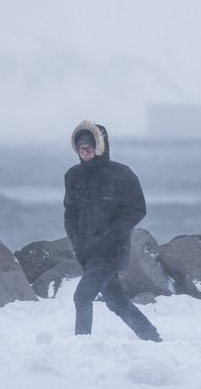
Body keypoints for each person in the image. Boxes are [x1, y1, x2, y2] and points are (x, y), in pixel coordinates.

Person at [63, 120, 162, 342]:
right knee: (116, 301)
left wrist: (111, 235)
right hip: (86, 251)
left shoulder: (121, 174)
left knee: (82, 296)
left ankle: (81, 343)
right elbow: (70, 211)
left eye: (88, 146)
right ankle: (151, 337)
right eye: (80, 148)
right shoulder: (73, 176)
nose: (84, 151)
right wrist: (75, 238)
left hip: (111, 251)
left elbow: (137, 209)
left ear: (100, 146)